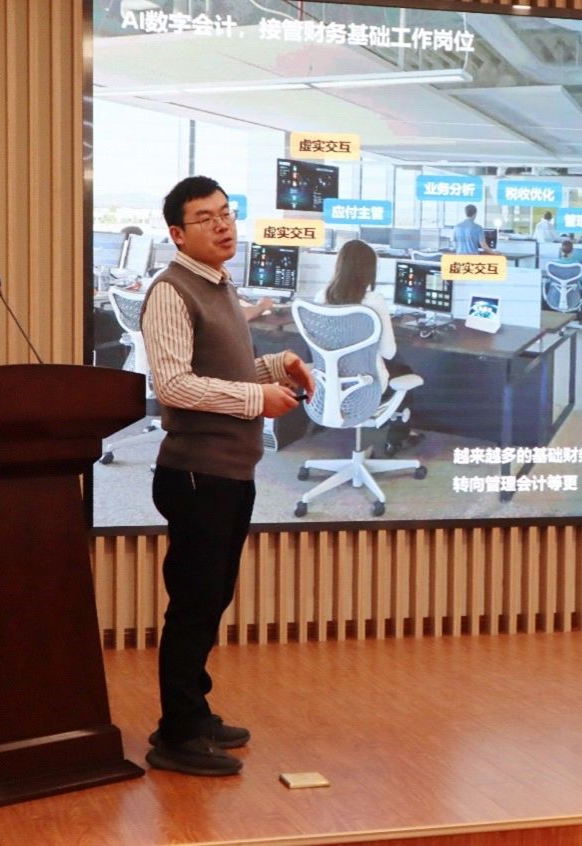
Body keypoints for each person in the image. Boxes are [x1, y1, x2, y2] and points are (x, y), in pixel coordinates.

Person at [140, 175, 315, 777]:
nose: (222, 225)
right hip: (197, 472)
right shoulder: (172, 291)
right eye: (205, 218)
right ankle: (177, 732)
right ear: (177, 233)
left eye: (226, 213)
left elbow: (224, 369)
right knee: (194, 603)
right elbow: (174, 386)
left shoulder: (219, 284)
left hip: (229, 471)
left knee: (213, 597)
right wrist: (257, 399)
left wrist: (276, 364)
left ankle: (194, 710)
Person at [318, 239, 419, 451]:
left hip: (331, 384)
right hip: (367, 385)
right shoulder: (373, 301)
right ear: (369, 271)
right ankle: (396, 440)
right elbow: (389, 352)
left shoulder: (321, 297)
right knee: (405, 370)